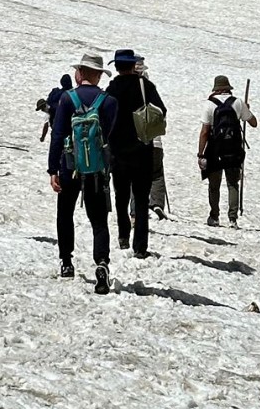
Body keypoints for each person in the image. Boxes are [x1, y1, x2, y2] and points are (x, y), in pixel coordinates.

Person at [49, 53, 118, 294]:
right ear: (98, 75)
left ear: (80, 73)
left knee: (65, 213)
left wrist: (52, 168)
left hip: (70, 166)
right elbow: (109, 136)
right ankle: (101, 264)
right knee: (99, 221)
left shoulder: (67, 99)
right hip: (97, 169)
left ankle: (66, 262)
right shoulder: (109, 101)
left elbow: (58, 135)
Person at [104, 49, 166, 258]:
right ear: (132, 65)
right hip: (142, 149)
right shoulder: (145, 86)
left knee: (121, 196)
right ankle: (140, 246)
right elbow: (161, 110)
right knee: (140, 199)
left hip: (118, 152)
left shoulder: (110, 89)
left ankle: (123, 235)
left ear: (117, 67)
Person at [198, 75, 258, 228]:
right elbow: (253, 123)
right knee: (233, 184)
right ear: (228, 88)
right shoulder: (237, 102)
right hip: (233, 149)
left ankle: (214, 216)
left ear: (216, 89)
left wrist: (200, 153)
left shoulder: (209, 104)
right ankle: (232, 218)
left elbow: (205, 131)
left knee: (214, 185)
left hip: (215, 149)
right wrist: (246, 110)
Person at [135, 56, 167, 220]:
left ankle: (135, 211)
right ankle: (157, 204)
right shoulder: (150, 89)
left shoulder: (124, 87)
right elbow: (163, 112)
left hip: (135, 142)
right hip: (155, 142)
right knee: (157, 174)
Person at [39, 74, 73, 142]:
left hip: (58, 134)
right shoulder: (73, 95)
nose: (43, 110)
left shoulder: (52, 102)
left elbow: (46, 125)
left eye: (42, 109)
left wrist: (42, 137)